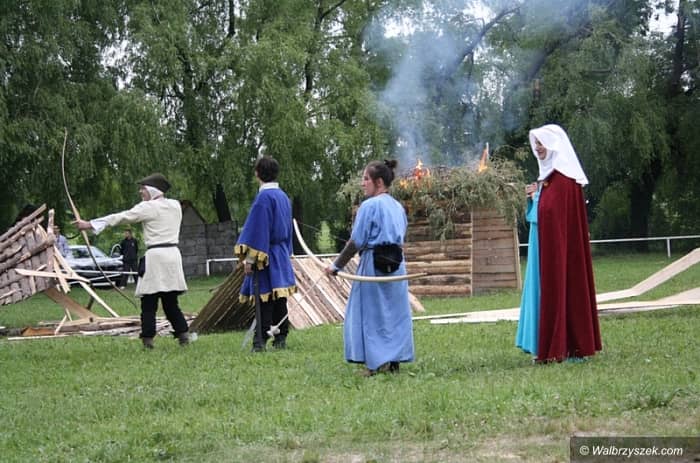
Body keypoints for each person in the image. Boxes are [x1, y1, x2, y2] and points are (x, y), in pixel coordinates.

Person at [515, 124, 601, 362]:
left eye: (541, 143)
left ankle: (564, 346)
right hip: (546, 247)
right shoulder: (550, 179)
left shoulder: (564, 180)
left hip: (559, 251)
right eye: (536, 144)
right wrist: (535, 198)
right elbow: (543, 212)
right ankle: (549, 345)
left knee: (563, 289)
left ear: (554, 145)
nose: (538, 148)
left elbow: (552, 213)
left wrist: (539, 200)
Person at [74, 173, 190, 349]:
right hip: (173, 256)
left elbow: (121, 217)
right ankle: (183, 335)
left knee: (149, 301)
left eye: (143, 188)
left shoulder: (148, 207)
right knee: (170, 301)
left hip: (157, 258)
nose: (140, 192)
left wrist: (89, 224)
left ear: (152, 190)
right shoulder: (175, 205)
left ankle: (148, 340)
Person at [324, 159, 414, 376]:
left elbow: (356, 241)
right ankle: (392, 361)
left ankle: (374, 364)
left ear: (379, 182)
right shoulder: (398, 207)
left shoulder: (369, 206)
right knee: (394, 314)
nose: (362, 183)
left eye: (366, 179)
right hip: (397, 265)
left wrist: (335, 266)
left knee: (372, 315)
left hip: (374, 264)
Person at [235, 156, 296, 352]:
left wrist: (250, 259)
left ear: (257, 173)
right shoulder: (283, 196)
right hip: (280, 253)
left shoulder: (263, 198)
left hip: (266, 254)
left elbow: (258, 231)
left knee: (265, 297)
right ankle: (281, 337)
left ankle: (259, 341)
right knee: (279, 297)